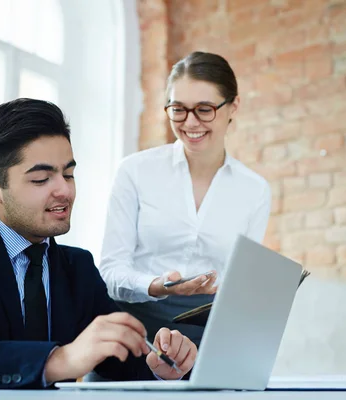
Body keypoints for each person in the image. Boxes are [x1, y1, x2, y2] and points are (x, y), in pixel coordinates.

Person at [0, 98, 197, 389]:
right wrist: (59, 359)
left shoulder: (76, 267)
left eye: (69, 174)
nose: (64, 191)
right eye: (41, 179)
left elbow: (117, 358)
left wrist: (160, 365)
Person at [99, 51, 271, 346]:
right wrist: (156, 286)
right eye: (178, 109)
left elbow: (240, 285)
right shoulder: (135, 171)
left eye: (204, 109)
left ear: (233, 107)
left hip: (206, 337)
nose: (190, 123)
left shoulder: (254, 190)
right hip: (132, 333)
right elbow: (111, 274)